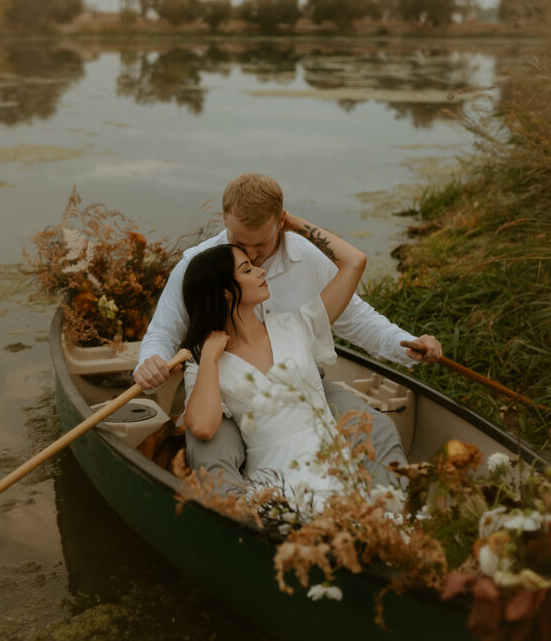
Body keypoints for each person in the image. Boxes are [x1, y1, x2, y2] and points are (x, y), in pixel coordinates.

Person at [134, 173, 442, 491]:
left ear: (281, 221)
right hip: (223, 391)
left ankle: (391, 511)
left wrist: (403, 344)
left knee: (377, 429)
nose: (252, 257)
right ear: (224, 219)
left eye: (261, 244)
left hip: (301, 380)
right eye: (240, 245)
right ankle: (243, 527)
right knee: (212, 457)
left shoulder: (308, 262)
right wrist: (152, 361)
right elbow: (162, 333)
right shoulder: (199, 268)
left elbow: (356, 316)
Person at [180, 237, 365, 508]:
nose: (261, 271)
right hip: (272, 484)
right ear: (225, 292)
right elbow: (203, 427)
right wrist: (209, 357)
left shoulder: (297, 324)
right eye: (247, 269)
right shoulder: (204, 361)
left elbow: (354, 262)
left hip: (332, 469)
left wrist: (287, 222)